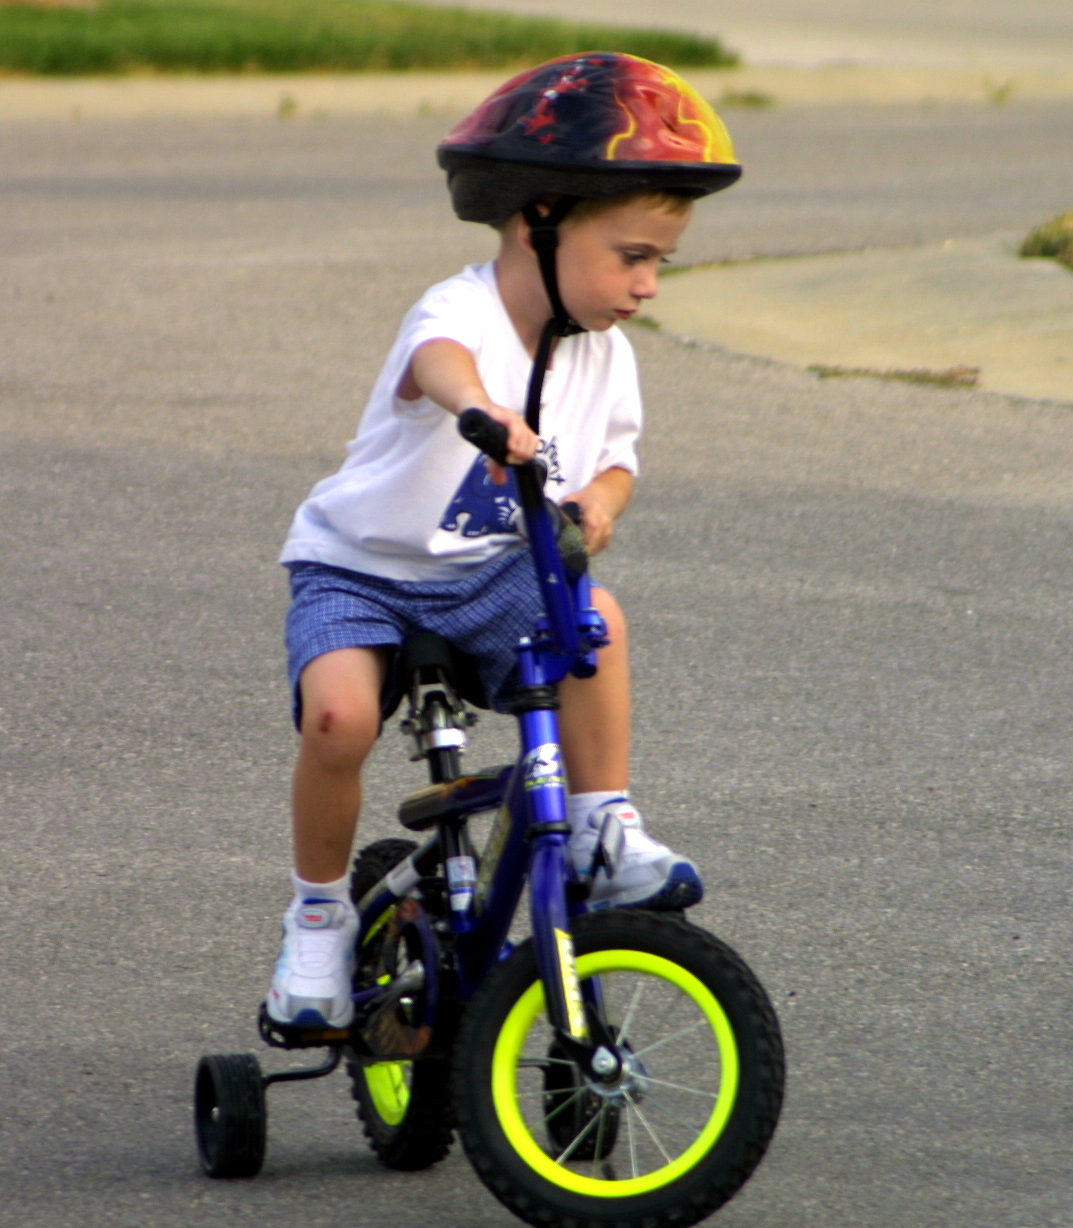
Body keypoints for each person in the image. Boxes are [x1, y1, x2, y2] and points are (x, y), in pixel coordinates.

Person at [266, 53, 743, 1030]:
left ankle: (601, 826)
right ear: (540, 222)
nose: (649, 284)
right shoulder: (462, 310)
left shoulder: (606, 354)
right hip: (362, 570)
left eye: (661, 262)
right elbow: (436, 362)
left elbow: (618, 460)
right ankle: (317, 915)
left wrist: (602, 501)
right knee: (339, 722)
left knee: (596, 621)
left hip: (490, 575)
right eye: (633, 255)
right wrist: (480, 409)